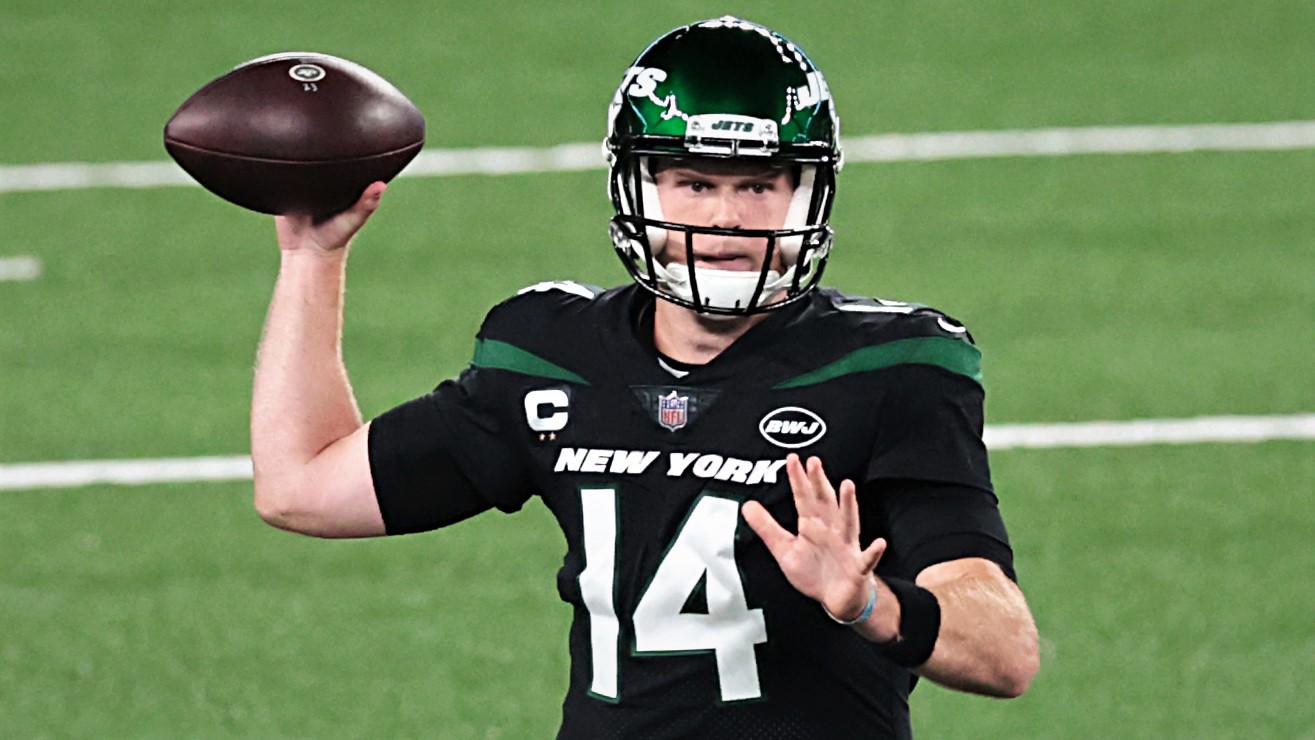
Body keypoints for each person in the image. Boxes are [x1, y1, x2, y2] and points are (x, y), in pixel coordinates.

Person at [251, 16, 1039, 739]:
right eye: (694, 183)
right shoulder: (551, 354)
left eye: (757, 185)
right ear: (636, 186)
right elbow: (300, 487)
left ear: (804, 194)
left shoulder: (890, 369)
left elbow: (1006, 653)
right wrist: (312, 258)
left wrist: (870, 604)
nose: (726, 219)